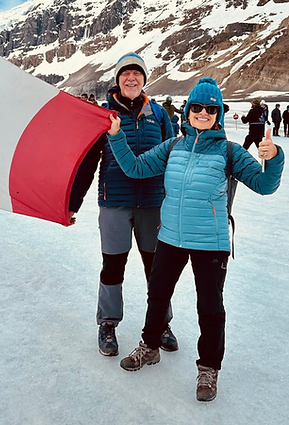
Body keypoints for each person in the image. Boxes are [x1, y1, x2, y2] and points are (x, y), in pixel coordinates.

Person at [106, 77, 283, 401]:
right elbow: (134, 167)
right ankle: (150, 346)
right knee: (157, 296)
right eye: (197, 107)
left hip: (210, 243)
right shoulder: (174, 146)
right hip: (171, 237)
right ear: (188, 111)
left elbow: (264, 184)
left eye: (210, 108)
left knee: (210, 308)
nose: (203, 112)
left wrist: (273, 159)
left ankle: (208, 370)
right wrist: (117, 138)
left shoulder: (228, 152)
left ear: (217, 113)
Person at [69, 53, 176, 358]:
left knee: (157, 268)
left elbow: (175, 158)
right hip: (115, 202)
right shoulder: (104, 116)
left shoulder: (159, 114)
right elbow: (87, 163)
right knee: (113, 266)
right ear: (117, 80)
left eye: (137, 74)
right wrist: (73, 203)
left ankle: (162, 323)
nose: (131, 78)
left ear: (144, 79)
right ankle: (107, 323)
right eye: (125, 74)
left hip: (153, 203)